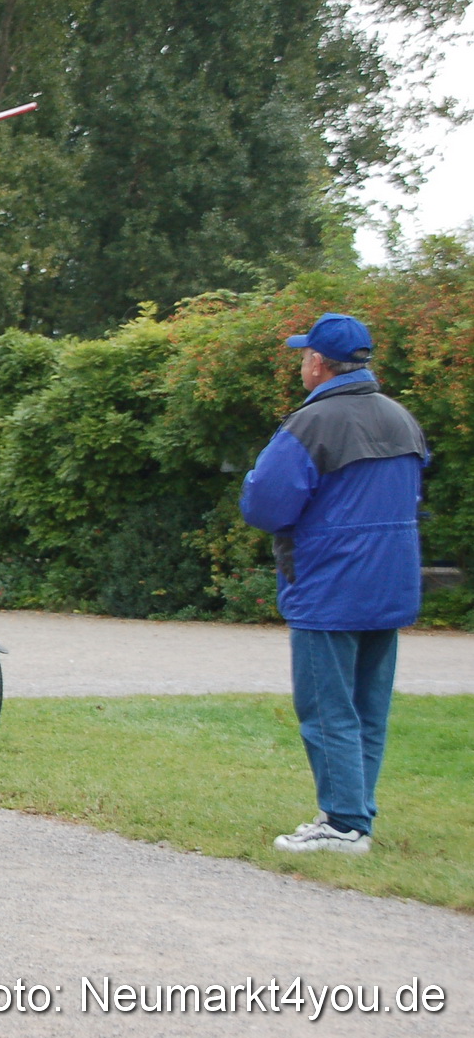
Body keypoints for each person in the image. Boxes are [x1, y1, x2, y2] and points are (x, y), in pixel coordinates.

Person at [240, 312, 427, 855]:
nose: (302, 364)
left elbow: (267, 504)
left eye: (304, 356)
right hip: (389, 581)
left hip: (330, 582)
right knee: (368, 707)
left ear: (319, 363)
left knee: (327, 707)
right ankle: (356, 815)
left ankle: (343, 823)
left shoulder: (311, 424)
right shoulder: (401, 419)